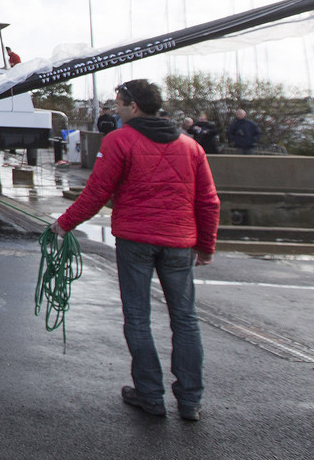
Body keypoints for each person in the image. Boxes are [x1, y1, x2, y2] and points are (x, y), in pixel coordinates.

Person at [53, 79, 219, 421]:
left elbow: (97, 192)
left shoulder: (119, 141)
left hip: (136, 240)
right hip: (179, 243)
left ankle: (149, 394)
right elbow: (208, 201)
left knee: (138, 318)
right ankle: (190, 401)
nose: (116, 110)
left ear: (134, 106)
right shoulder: (191, 147)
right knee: (185, 320)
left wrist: (63, 224)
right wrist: (206, 247)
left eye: (118, 104)